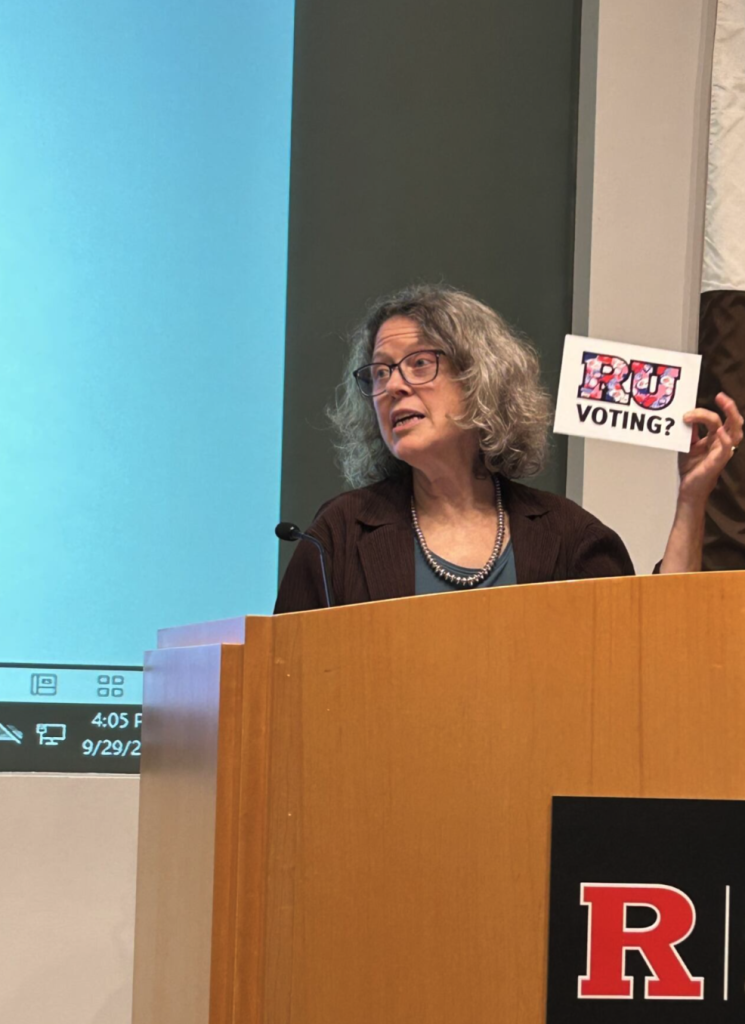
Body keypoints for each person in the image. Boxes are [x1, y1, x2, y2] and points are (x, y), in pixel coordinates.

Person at [275, 284, 743, 612]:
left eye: (419, 364)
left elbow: (650, 644)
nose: (393, 386)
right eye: (379, 372)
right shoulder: (336, 535)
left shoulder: (569, 537)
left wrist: (692, 498)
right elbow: (286, 681)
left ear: (481, 379)